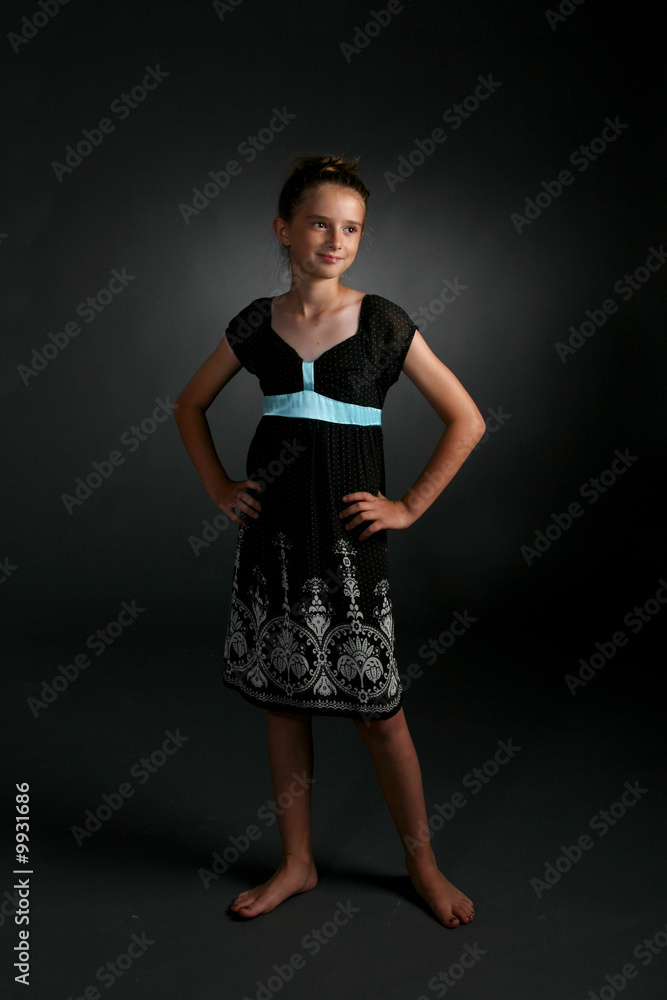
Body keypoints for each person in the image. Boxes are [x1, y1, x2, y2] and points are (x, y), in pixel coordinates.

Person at [174, 154, 486, 928]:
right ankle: (297, 862)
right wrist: (218, 487)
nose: (335, 239)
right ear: (284, 230)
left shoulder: (381, 322)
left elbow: (467, 419)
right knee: (286, 707)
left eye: (350, 228)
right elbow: (189, 405)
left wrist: (408, 504)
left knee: (379, 712)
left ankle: (421, 864)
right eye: (319, 223)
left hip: (348, 547)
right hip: (275, 541)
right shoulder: (255, 322)